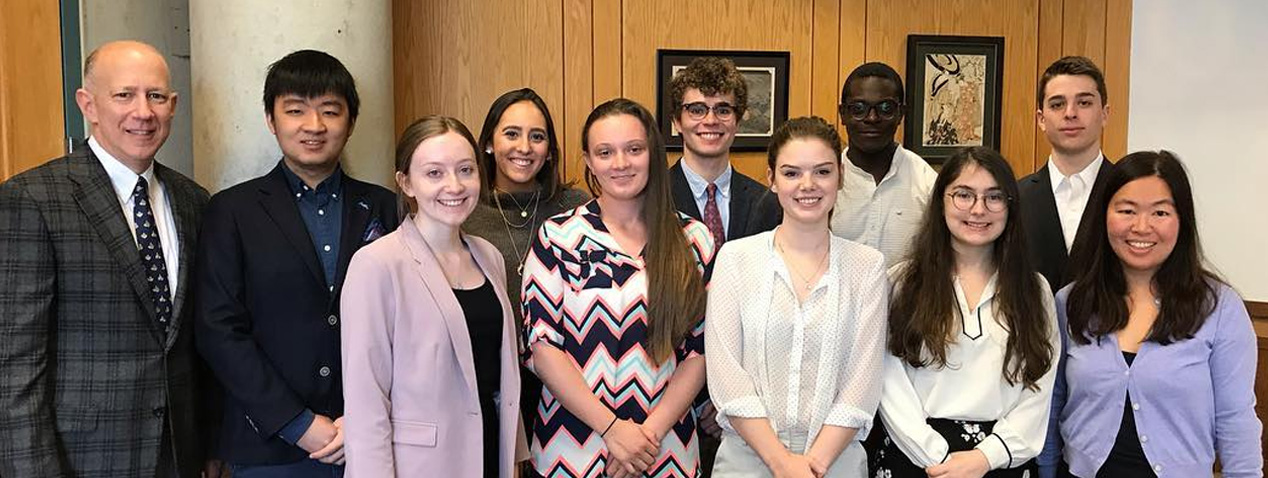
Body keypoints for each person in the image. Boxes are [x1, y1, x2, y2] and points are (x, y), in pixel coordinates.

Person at [0, 40, 214, 477]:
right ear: (88, 104)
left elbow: (193, 344)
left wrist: (209, 446)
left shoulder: (194, 201)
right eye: (124, 95)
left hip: (180, 457)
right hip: (81, 460)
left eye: (156, 96)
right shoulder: (33, 199)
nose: (143, 112)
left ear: (172, 106)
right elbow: (15, 366)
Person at [194, 50, 398, 477]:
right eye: (295, 110)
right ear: (271, 120)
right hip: (267, 446)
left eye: (329, 110)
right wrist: (296, 422)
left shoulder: (385, 207)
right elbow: (219, 330)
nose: (314, 126)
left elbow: (406, 324)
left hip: (371, 440)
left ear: (351, 121)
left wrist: (359, 418)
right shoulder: (231, 211)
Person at [522, 98, 715, 478]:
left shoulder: (693, 240)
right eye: (605, 152)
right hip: (572, 446)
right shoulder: (559, 237)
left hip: (664, 449)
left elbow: (700, 352)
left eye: (634, 149)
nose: (621, 163)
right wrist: (613, 430)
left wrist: (644, 438)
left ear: (653, 154)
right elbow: (542, 349)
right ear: (589, 161)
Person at [1048, 151, 1262, 478]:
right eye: (1126, 210)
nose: (1142, 227)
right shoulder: (1071, 302)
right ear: (1104, 215)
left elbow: (1236, 420)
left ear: (1182, 220)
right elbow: (1052, 406)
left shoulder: (1219, 308)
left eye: (1160, 212)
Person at [341, 116, 527, 477]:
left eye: (465, 170)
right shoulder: (376, 264)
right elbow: (366, 402)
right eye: (434, 173)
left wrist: (513, 454)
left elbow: (502, 373)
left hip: (490, 452)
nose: (454, 186)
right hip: (421, 465)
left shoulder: (488, 256)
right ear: (406, 182)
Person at [704, 116, 887, 478]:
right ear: (771, 179)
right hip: (748, 460)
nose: (808, 185)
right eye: (791, 173)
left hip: (836, 463)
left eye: (822, 172)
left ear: (840, 177)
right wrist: (783, 464)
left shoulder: (867, 267)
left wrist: (812, 466)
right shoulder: (736, 259)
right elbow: (727, 376)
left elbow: (862, 383)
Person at [870, 147, 1059, 478]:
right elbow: (887, 380)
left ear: (1010, 207)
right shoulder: (901, 283)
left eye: (994, 197)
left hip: (1001, 460)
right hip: (915, 458)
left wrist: (986, 457)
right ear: (941, 201)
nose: (978, 209)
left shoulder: (1034, 290)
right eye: (963, 195)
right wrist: (935, 454)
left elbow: (1040, 386)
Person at [462, 87, 589, 433]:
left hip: (571, 384)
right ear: (488, 143)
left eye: (537, 137)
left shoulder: (577, 208)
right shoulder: (464, 211)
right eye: (511, 134)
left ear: (549, 151)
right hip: (487, 385)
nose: (524, 148)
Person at [1019, 56, 1116, 293]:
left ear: (1104, 114)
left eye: (1084, 103)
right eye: (1057, 104)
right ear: (1041, 119)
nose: (1070, 113)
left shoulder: (1129, 191)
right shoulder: (1013, 197)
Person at [829, 62, 938, 268]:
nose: (872, 118)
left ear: (901, 114)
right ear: (843, 114)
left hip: (905, 301)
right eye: (858, 109)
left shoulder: (927, 182)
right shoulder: (824, 181)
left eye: (885, 108)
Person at [667, 56, 781, 248]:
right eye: (696, 110)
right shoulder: (653, 198)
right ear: (677, 121)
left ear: (737, 121)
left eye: (723, 110)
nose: (711, 120)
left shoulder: (767, 202)